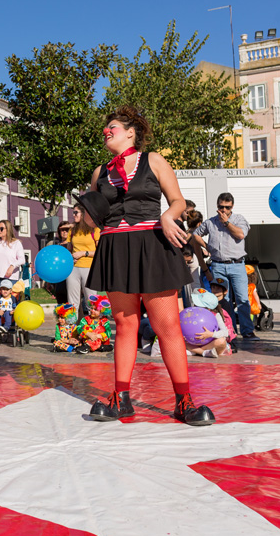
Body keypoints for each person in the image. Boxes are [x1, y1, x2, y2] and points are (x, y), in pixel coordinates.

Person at [78, 106, 215, 425]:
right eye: (106, 128)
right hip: (115, 247)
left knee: (166, 326)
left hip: (152, 244)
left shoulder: (153, 160)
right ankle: (121, 398)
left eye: (112, 126)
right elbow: (92, 219)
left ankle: (184, 401)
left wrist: (168, 217)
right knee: (124, 325)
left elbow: (177, 201)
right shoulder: (99, 172)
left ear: (131, 132)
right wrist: (88, 213)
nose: (106, 131)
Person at [192, 193, 256, 340]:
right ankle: (229, 330)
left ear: (232, 206)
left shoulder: (239, 219)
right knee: (222, 300)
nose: (224, 210)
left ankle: (247, 331)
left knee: (242, 298)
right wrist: (206, 246)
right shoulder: (211, 222)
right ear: (217, 206)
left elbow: (240, 235)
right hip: (218, 265)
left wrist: (226, 223)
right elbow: (195, 235)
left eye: (227, 207)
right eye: (221, 207)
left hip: (237, 264)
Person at [65, 204, 99, 318]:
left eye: (76, 212)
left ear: (84, 214)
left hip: (89, 268)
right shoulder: (72, 230)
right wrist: (70, 256)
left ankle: (93, 327)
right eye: (73, 212)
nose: (74, 215)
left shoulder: (95, 229)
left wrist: (84, 253)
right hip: (73, 269)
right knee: (72, 303)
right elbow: (69, 249)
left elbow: (100, 252)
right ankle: (72, 327)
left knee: (91, 302)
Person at [185, 291, 233, 358]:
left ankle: (194, 351)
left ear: (208, 308)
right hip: (193, 342)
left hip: (209, 343)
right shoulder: (191, 313)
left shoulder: (216, 315)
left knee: (221, 341)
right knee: (180, 340)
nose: (195, 306)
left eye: (198, 305)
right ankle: (203, 352)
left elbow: (225, 332)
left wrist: (211, 334)